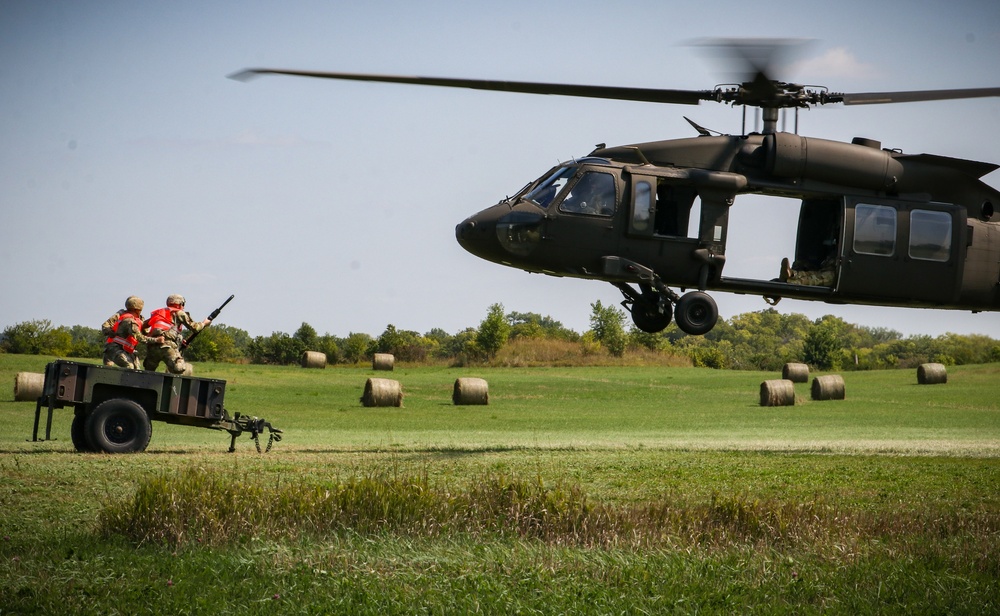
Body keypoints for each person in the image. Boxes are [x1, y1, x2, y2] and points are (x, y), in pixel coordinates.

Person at [142, 294, 210, 374]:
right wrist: (204, 323)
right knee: (180, 368)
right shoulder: (179, 313)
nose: (183, 307)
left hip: (152, 346)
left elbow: (143, 325)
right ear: (180, 304)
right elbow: (195, 328)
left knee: (148, 372)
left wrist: (148, 336)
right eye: (183, 305)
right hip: (167, 346)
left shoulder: (159, 313)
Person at [102, 296, 164, 369]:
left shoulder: (137, 319)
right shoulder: (129, 320)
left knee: (136, 370)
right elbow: (140, 337)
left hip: (128, 349)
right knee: (129, 367)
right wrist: (157, 340)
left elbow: (144, 330)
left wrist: (152, 321)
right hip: (115, 347)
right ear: (138, 309)